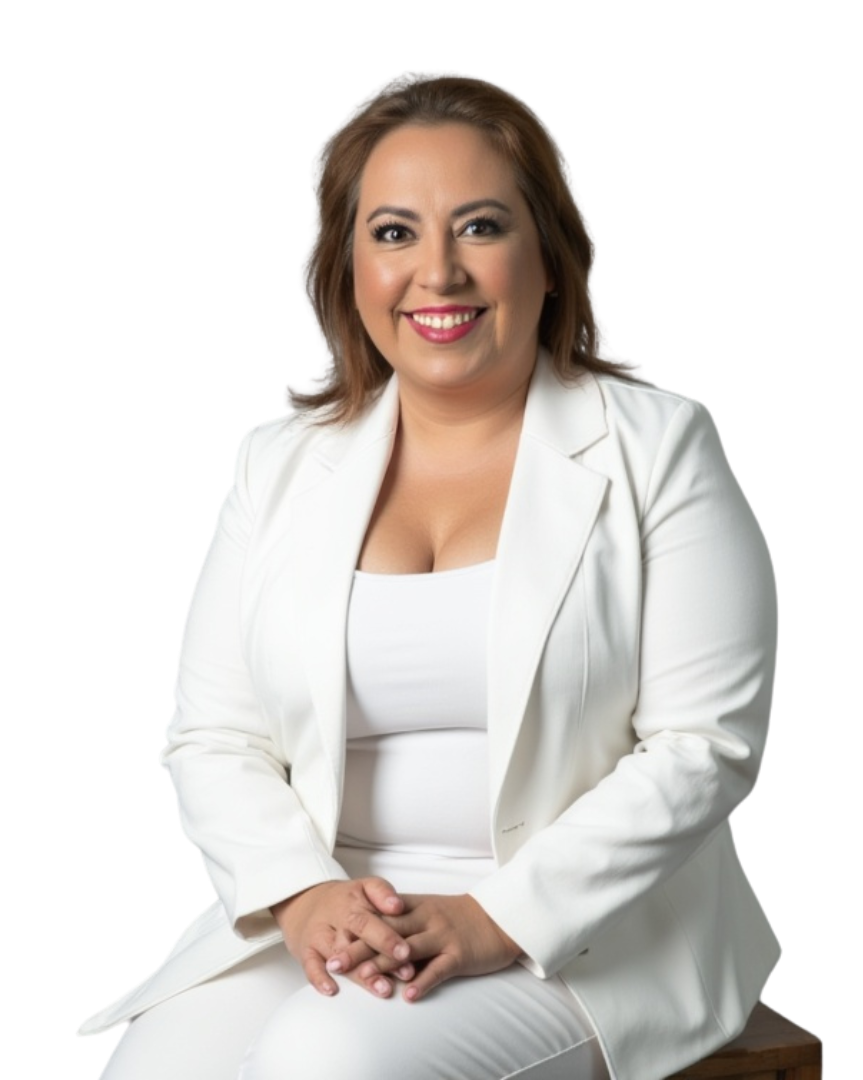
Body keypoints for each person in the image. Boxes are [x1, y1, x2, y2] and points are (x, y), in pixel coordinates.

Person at [76, 70, 782, 1080]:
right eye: (394, 233)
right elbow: (215, 738)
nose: (437, 273)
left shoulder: (656, 447)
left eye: (480, 227)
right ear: (347, 268)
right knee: (151, 1070)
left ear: (548, 257)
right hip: (329, 913)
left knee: (327, 1063)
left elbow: (701, 745)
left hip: (585, 937)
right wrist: (302, 896)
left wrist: (495, 917)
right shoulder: (278, 464)